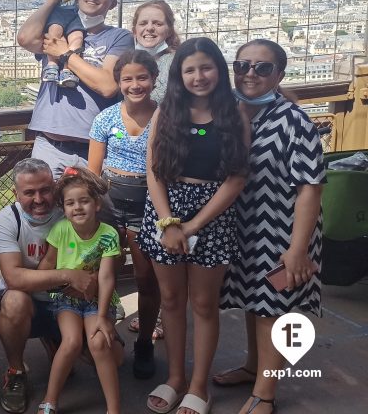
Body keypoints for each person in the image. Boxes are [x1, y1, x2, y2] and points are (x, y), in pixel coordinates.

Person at [138, 37, 249, 414]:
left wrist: (193, 225)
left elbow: (236, 178)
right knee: (170, 299)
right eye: (190, 70)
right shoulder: (166, 112)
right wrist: (169, 223)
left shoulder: (234, 114)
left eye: (206, 68)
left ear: (219, 70)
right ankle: (175, 378)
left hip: (213, 214)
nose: (199, 76)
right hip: (166, 209)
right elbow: (154, 170)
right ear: (178, 75)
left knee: (203, 303)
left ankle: (199, 385)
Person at [217, 39, 325, 414]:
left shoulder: (295, 121)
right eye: (242, 65)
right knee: (254, 301)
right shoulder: (231, 114)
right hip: (245, 227)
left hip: (284, 232)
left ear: (279, 74)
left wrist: (297, 250)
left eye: (262, 68)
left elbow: (311, 188)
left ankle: (265, 393)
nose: (250, 73)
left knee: (272, 309)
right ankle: (253, 368)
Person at [0, 158, 94, 414]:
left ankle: (55, 340)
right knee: (14, 301)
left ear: (55, 187)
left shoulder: (70, 210)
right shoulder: (8, 219)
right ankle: (16, 371)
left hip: (66, 300)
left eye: (45, 190)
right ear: (16, 193)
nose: (39, 199)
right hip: (28, 300)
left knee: (108, 356)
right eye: (29, 192)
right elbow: (14, 278)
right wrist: (68, 274)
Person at [87, 49, 162, 379]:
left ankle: (144, 341)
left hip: (149, 203)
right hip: (110, 202)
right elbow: (93, 171)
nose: (135, 85)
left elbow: (197, 136)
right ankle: (106, 332)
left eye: (141, 77)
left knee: (146, 278)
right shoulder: (105, 119)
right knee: (105, 274)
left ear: (154, 79)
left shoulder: (165, 117)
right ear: (118, 82)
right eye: (127, 79)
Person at [17, 0, 134, 178]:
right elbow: (25, 38)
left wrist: (64, 53)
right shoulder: (56, 31)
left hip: (95, 148)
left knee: (94, 200)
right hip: (50, 145)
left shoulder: (119, 37)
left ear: (113, 4)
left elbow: (108, 86)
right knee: (42, 199)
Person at [35, 167, 124, 414]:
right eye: (70, 203)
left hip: (97, 300)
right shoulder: (61, 230)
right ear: (63, 208)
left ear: (97, 204)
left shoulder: (108, 234)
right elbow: (47, 265)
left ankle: (114, 409)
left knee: (99, 343)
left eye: (84, 201)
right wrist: (45, 287)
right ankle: (50, 400)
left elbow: (106, 277)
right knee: (72, 341)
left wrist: (103, 316)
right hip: (67, 300)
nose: (77, 207)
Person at [131, 0, 181, 103]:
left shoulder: (178, 63)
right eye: (143, 23)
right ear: (134, 31)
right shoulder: (127, 62)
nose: (149, 28)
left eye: (158, 24)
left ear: (169, 30)